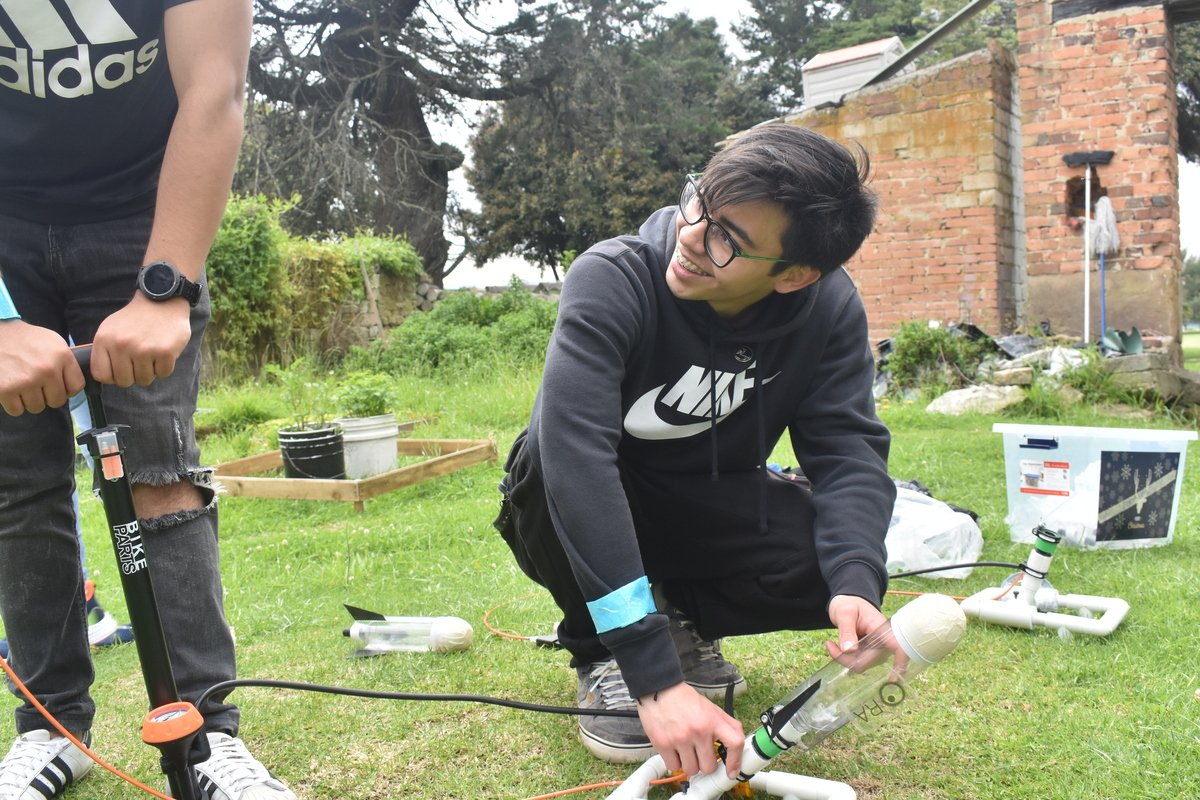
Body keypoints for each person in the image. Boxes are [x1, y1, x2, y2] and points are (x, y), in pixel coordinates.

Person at [493, 124, 896, 780]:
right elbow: (575, 458)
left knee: (834, 558)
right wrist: (652, 677)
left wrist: (857, 579)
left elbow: (847, 448)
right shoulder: (614, 277)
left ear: (795, 275)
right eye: (699, 203)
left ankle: (675, 618)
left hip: (701, 500)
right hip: (584, 496)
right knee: (547, 455)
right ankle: (607, 650)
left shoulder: (828, 310)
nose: (691, 236)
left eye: (727, 239)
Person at [0, 1, 297, 798]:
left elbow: (213, 88)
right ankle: (50, 729)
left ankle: (205, 735)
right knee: (19, 486)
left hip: (147, 204)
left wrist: (165, 289)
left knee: (159, 473)